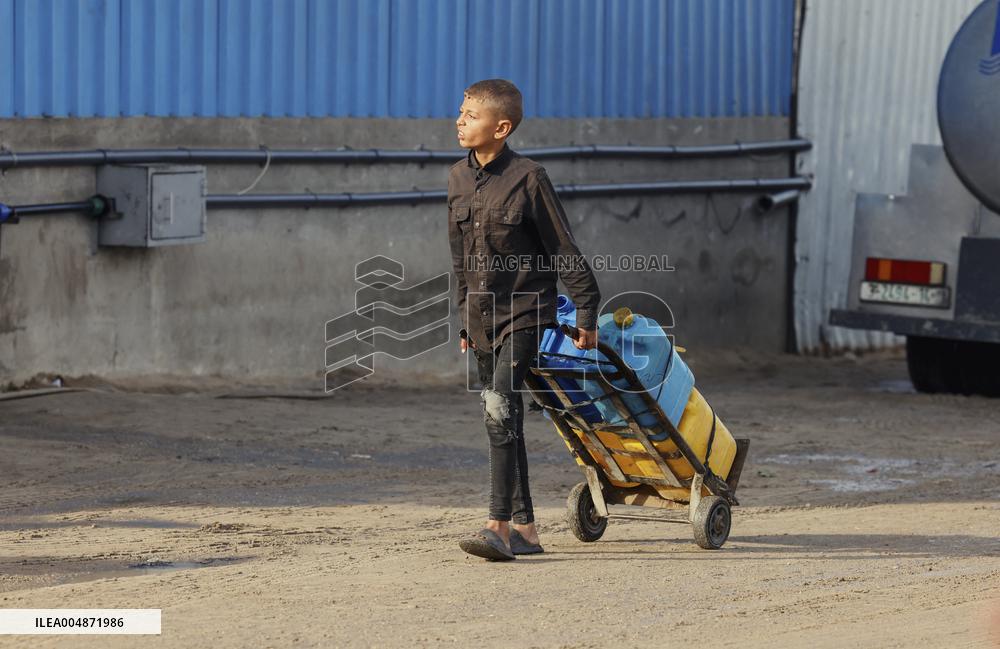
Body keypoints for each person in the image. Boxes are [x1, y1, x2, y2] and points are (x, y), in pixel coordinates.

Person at [447, 79, 602, 561]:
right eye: (461, 112)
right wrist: (464, 317)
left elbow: (562, 247)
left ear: (502, 128)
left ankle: (496, 526)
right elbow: (459, 257)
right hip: (481, 317)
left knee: (499, 410)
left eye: (471, 115)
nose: (459, 121)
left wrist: (586, 311)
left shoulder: (530, 178)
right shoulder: (456, 178)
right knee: (504, 417)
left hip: (525, 313)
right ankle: (527, 531)